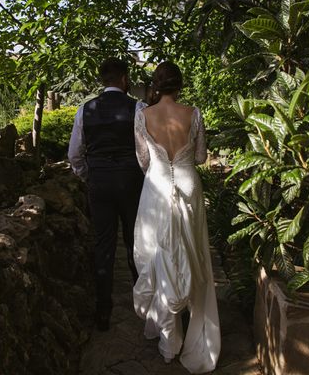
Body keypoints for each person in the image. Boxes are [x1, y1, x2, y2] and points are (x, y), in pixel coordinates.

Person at [132, 61, 220, 373]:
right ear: (179, 85)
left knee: (160, 254)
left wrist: (160, 168)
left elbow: (143, 159)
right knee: (193, 251)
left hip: (155, 187)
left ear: (155, 85)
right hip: (188, 183)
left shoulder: (143, 115)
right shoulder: (193, 113)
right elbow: (200, 156)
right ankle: (194, 324)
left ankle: (170, 340)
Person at [68, 58, 146, 331]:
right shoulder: (138, 108)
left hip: (99, 182)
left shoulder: (85, 110)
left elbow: (74, 155)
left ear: (103, 80)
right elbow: (144, 151)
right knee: (136, 241)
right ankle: (143, 303)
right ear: (124, 78)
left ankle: (103, 309)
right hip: (130, 181)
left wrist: (89, 175)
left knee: (103, 245)